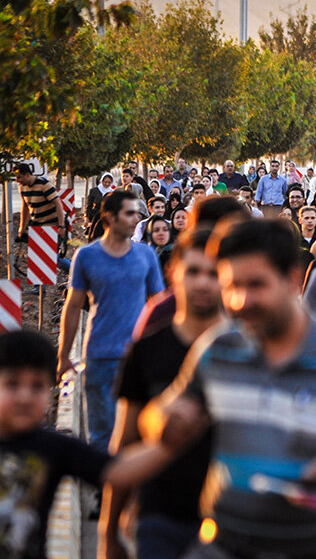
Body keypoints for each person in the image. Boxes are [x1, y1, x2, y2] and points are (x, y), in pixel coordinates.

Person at [123, 219, 316, 558]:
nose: (242, 300)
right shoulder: (218, 351)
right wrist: (165, 420)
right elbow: (157, 419)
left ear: (293, 279)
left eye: (257, 285)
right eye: (232, 286)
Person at [0, 330, 193, 559]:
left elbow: (118, 471)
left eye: (37, 387)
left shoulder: (54, 447)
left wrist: (168, 446)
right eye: (12, 385)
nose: (25, 397)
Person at [100, 229, 222, 559]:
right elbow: (125, 443)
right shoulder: (147, 350)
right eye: (193, 271)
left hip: (229, 525)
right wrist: (108, 532)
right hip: (159, 518)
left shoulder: (246, 352)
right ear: (173, 273)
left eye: (214, 273)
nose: (202, 283)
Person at [59, 190, 165, 451]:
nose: (136, 218)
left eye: (138, 213)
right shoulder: (86, 256)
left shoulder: (146, 255)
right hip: (100, 355)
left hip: (138, 357)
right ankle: (102, 487)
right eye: (129, 213)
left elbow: (159, 305)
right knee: (102, 433)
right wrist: (63, 355)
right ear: (110, 217)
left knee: (139, 433)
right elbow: (73, 307)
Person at [15, 162, 66, 242]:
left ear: (28, 175)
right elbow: (25, 207)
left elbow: (58, 204)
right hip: (36, 224)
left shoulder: (44, 185)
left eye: (19, 177)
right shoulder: (22, 188)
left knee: (49, 252)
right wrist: (22, 227)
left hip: (51, 224)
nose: (17, 180)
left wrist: (61, 226)